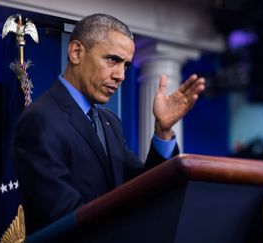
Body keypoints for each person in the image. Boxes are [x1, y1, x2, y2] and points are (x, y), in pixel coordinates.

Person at [14, 13, 205, 234]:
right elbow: (63, 217)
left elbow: (142, 188)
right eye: (113, 60)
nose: (121, 75)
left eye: (126, 65)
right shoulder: (40, 120)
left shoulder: (110, 123)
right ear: (76, 53)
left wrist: (163, 131)